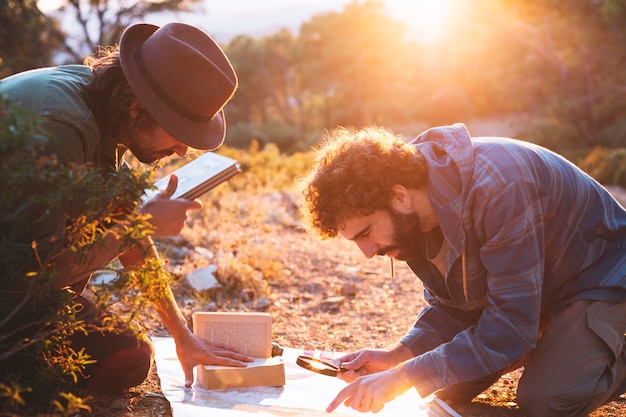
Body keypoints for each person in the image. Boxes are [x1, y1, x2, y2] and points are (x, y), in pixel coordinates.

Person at [298, 124, 626, 417]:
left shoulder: (500, 188)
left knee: (544, 400)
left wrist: (402, 377)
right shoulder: (415, 220)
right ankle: (547, 341)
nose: (368, 253)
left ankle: (597, 351)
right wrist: (398, 355)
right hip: (535, 294)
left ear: (399, 197)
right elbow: (452, 306)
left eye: (366, 233)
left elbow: (511, 325)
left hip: (598, 278)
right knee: (445, 391)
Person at [0, 22, 253, 392]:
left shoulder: (101, 108)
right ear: (137, 106)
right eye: (179, 131)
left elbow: (125, 224)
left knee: (126, 352)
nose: (182, 150)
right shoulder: (59, 126)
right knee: (127, 358)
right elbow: (42, 275)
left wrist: (183, 336)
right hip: (16, 281)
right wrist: (141, 225)